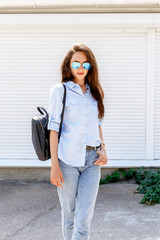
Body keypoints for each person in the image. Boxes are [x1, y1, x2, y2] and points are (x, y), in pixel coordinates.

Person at [47, 43, 108, 240]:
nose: (80, 68)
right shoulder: (60, 90)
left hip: (92, 161)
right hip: (67, 161)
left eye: (85, 64)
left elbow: (97, 123)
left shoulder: (95, 91)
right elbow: (53, 129)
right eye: (76, 64)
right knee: (70, 215)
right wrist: (54, 165)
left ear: (91, 67)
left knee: (83, 218)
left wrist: (104, 149)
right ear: (68, 66)